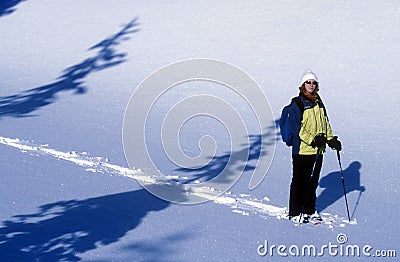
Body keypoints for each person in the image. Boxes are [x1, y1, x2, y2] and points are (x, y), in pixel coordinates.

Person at [286, 69, 342, 223]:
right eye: (308, 82)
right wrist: (312, 140)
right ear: (303, 84)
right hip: (303, 150)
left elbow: (325, 123)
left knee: (313, 182)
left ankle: (309, 210)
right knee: (300, 181)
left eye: (314, 82)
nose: (311, 85)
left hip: (318, 150)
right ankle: (295, 212)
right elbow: (297, 128)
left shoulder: (318, 102)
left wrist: (331, 139)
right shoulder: (297, 103)